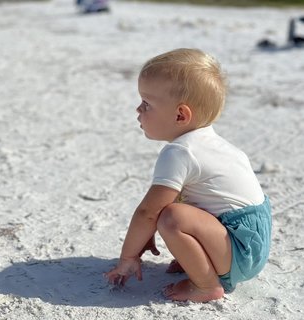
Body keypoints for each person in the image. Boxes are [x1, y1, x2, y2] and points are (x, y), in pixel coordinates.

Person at [105, 48, 272, 302]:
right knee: (174, 206)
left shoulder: (180, 152)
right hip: (248, 245)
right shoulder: (213, 144)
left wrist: (128, 257)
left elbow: (148, 212)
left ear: (180, 115)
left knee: (172, 217)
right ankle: (201, 261)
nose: (138, 109)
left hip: (239, 250)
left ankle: (206, 285)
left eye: (146, 104)